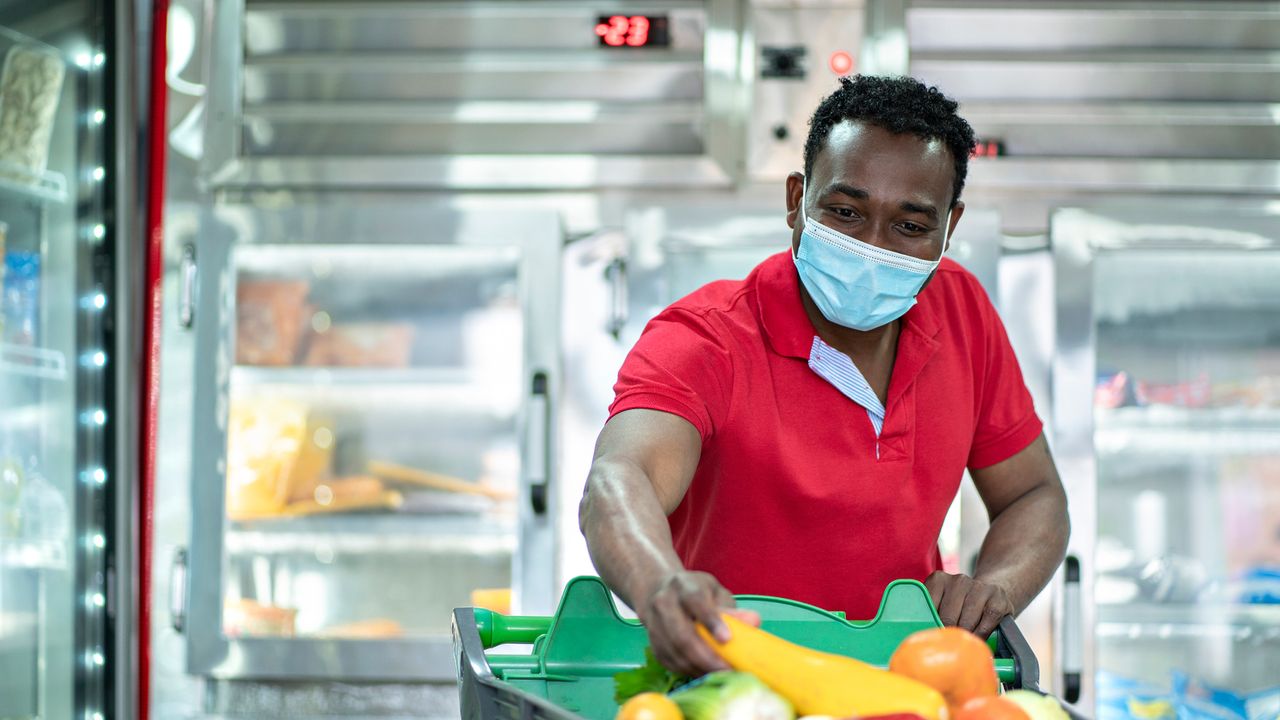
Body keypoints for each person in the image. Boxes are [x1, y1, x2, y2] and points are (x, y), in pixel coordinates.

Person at [578, 75, 1070, 676]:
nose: (871, 246)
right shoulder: (706, 338)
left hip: (902, 686)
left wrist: (998, 587)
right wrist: (660, 586)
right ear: (796, 200)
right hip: (726, 680)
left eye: (910, 227)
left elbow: (1033, 493)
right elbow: (620, 479)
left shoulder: (962, 313)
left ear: (950, 226)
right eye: (845, 212)